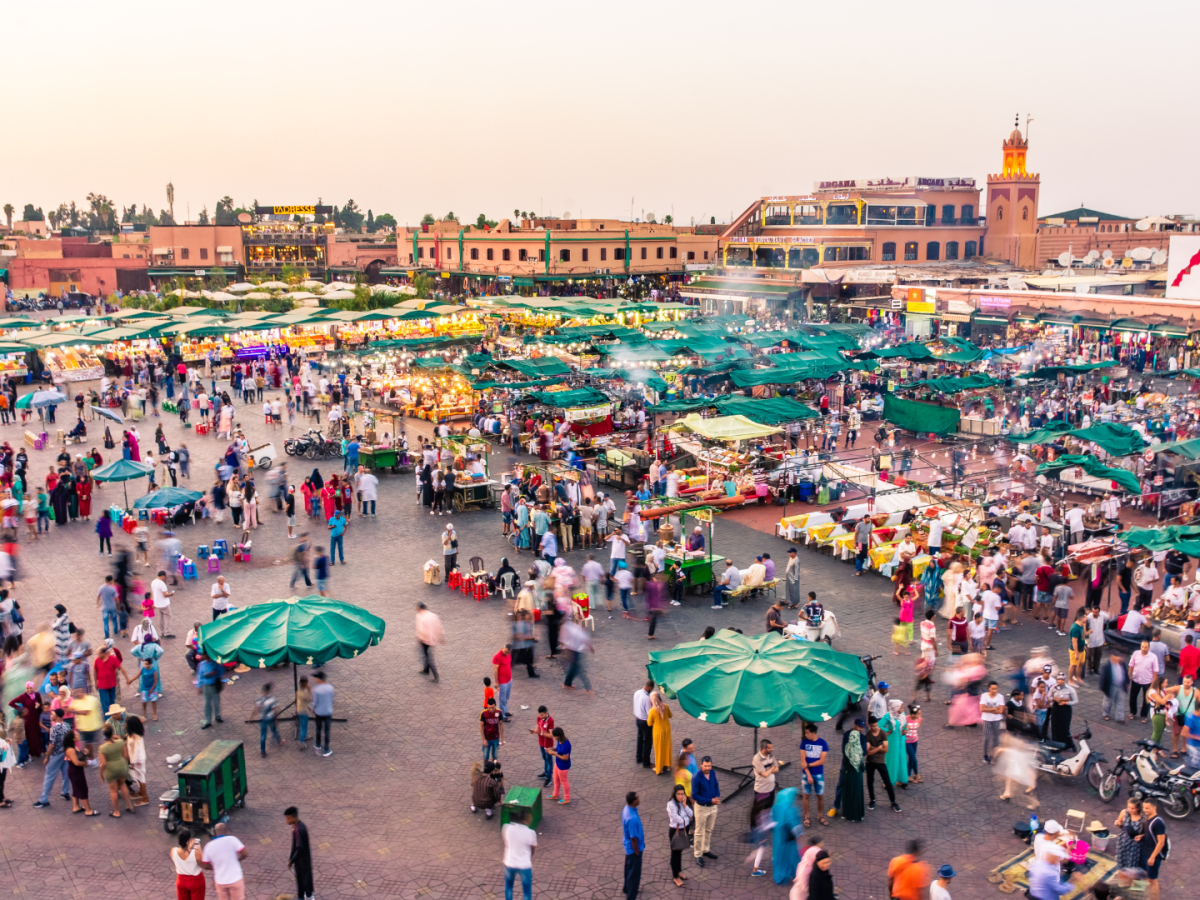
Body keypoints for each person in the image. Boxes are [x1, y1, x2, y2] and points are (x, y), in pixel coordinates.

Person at [197, 822, 247, 900]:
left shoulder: (208, 846)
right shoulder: (232, 839)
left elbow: (205, 865)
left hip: (220, 881)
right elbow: (244, 853)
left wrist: (215, 867)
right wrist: (237, 860)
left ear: (215, 832)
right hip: (235, 879)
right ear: (226, 830)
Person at [865, 715, 900, 812]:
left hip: (881, 762)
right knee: (870, 782)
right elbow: (867, 752)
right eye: (873, 726)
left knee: (887, 782)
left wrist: (874, 748)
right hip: (870, 762)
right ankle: (872, 800)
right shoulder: (867, 735)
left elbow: (886, 749)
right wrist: (879, 747)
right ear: (869, 725)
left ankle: (893, 802)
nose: (876, 727)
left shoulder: (882, 733)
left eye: (876, 725)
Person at [502, 808, 537, 900]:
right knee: (527, 891)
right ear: (527, 819)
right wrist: (529, 856)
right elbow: (532, 849)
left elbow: (506, 841)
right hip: (524, 865)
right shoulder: (531, 833)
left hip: (509, 862)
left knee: (508, 887)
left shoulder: (507, 828)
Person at [773, 786, 803, 885]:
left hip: (778, 837)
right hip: (789, 839)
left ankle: (779, 876)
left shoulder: (776, 807)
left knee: (779, 856)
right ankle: (795, 874)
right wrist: (799, 837)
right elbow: (795, 826)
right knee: (792, 856)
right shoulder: (790, 810)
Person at [666, 783, 694, 887]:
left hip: (684, 830)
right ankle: (675, 877)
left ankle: (679, 871)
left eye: (682, 794)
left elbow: (691, 814)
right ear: (675, 794)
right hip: (676, 831)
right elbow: (677, 819)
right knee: (675, 854)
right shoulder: (671, 804)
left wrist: (685, 805)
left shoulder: (683, 802)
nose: (681, 796)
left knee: (680, 852)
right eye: (679, 794)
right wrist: (686, 819)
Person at [1141, 797, 1168, 900]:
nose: (1145, 810)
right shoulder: (1148, 818)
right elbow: (1150, 834)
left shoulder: (1158, 822)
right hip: (1146, 852)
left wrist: (1152, 857)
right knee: (1148, 878)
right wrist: (1142, 836)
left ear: (1154, 808)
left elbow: (1161, 842)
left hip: (1153, 855)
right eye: (1144, 807)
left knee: (1153, 881)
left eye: (1147, 808)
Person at [285, 807, 314, 900]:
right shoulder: (298, 826)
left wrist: (292, 860)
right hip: (302, 860)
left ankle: (306, 896)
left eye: (288, 819)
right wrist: (291, 857)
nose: (287, 821)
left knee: (303, 880)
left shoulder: (299, 830)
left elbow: (299, 848)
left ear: (294, 817)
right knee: (303, 880)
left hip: (302, 861)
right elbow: (295, 845)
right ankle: (306, 895)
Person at [1129, 639, 1160, 722]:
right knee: (1132, 697)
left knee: (1147, 699)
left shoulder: (1153, 657)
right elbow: (1131, 665)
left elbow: (1155, 671)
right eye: (1142, 647)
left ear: (1149, 648)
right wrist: (1130, 675)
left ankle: (1144, 715)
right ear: (1140, 647)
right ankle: (1132, 712)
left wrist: (1154, 682)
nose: (1144, 649)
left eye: (1145, 647)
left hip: (1147, 681)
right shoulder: (1135, 654)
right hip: (1136, 680)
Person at [414, 602, 445, 683]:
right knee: (426, 655)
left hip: (425, 640)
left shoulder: (420, 616)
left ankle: (436, 676)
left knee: (427, 657)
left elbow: (421, 630)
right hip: (433, 639)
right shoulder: (433, 615)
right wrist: (441, 637)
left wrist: (420, 638)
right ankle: (426, 670)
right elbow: (439, 626)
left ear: (419, 608)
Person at [172, 830, 206, 900]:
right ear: (188, 841)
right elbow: (202, 862)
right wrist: (197, 845)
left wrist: (189, 847)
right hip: (196, 881)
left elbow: (183, 856)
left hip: (181, 881)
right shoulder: (195, 852)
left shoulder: (173, 851)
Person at [622, 792, 644, 900]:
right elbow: (633, 838)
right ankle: (631, 896)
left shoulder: (627, 809)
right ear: (634, 801)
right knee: (634, 875)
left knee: (628, 869)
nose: (639, 799)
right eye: (637, 798)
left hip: (628, 848)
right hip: (633, 850)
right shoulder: (632, 819)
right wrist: (637, 852)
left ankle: (626, 888)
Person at [648, 690, 673, 775]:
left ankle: (659, 768)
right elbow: (670, 715)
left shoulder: (652, 711)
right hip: (667, 729)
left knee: (659, 749)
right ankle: (668, 765)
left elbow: (649, 723)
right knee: (667, 747)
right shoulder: (666, 706)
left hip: (658, 732)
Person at [311, 671, 333, 757]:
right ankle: (326, 749)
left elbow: (315, 702)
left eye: (316, 678)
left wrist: (312, 710)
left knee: (318, 729)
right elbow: (332, 699)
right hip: (328, 712)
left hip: (319, 712)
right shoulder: (330, 688)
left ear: (319, 679)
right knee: (327, 731)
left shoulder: (316, 689)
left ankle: (318, 745)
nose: (315, 680)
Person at [548, 726, 571, 804]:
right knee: (556, 778)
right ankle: (555, 794)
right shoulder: (560, 741)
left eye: (554, 736)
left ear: (558, 736)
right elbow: (558, 749)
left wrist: (554, 754)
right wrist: (552, 749)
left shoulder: (565, 744)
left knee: (564, 781)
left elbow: (565, 758)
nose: (553, 737)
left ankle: (567, 798)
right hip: (558, 763)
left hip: (563, 766)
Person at [633, 680, 653, 768]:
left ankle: (639, 757)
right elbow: (649, 712)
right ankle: (646, 762)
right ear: (649, 687)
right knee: (647, 742)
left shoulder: (637, 693)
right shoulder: (646, 698)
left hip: (638, 719)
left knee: (640, 739)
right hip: (645, 722)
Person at [493, 646, 514, 720]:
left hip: (509, 679)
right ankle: (502, 715)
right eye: (506, 652)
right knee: (502, 699)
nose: (507, 654)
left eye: (508, 652)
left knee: (506, 697)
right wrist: (496, 682)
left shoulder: (508, 654)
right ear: (504, 648)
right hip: (502, 681)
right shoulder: (497, 656)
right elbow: (495, 670)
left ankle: (505, 711)